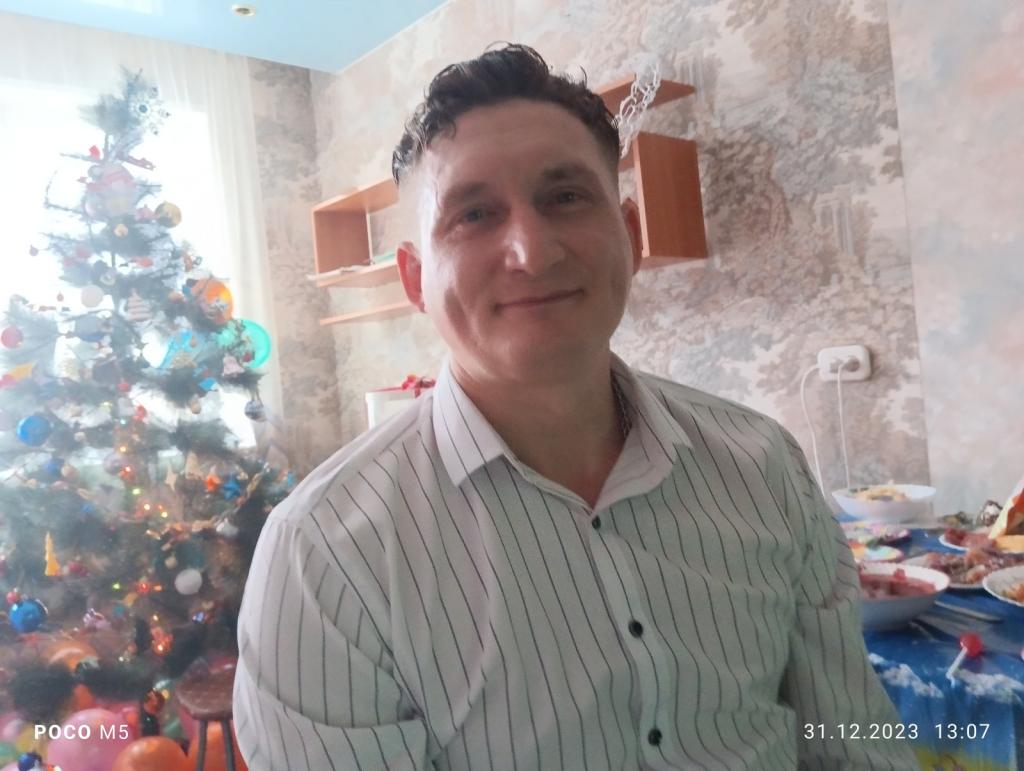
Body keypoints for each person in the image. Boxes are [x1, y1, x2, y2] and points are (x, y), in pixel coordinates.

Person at [232, 43, 919, 770]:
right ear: (414, 280)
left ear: (629, 235)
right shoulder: (323, 554)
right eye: (473, 214)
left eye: (565, 197)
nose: (532, 252)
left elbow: (852, 741)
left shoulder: (765, 465)